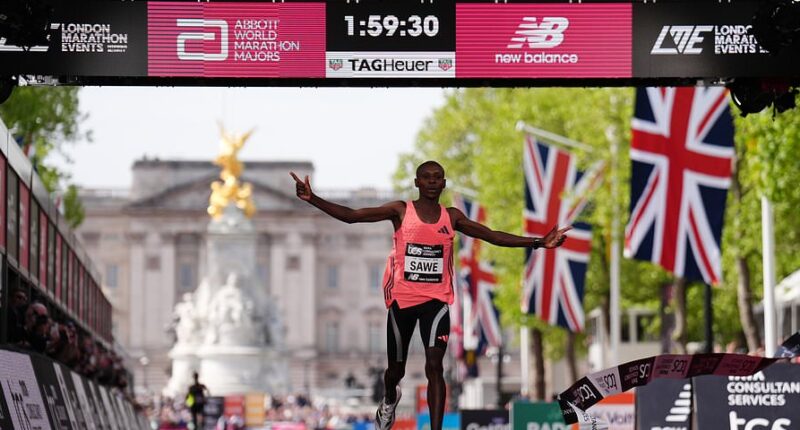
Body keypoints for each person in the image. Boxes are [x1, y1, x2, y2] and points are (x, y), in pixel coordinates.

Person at [290, 161, 571, 430]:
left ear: (444, 183)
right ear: (417, 182)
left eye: (438, 177)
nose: (433, 182)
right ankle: (389, 398)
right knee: (395, 372)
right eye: (427, 177)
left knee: (434, 366)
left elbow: (492, 235)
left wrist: (538, 242)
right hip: (402, 301)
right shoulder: (400, 211)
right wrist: (313, 198)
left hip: (436, 302)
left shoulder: (452, 217)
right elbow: (352, 217)